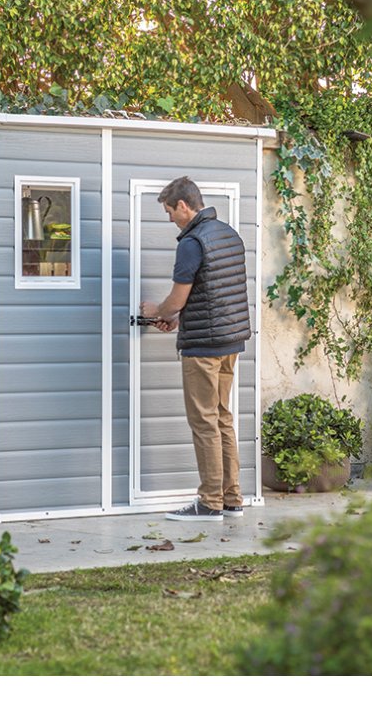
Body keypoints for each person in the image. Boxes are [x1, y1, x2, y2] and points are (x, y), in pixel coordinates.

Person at [140, 176, 251, 522]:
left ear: (183, 205)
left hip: (203, 348)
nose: (170, 218)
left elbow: (177, 299)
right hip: (230, 343)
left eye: (170, 211)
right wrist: (179, 318)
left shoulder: (191, 242)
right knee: (222, 418)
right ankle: (232, 498)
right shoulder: (228, 234)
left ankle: (209, 502)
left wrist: (157, 312)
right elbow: (212, 292)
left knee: (204, 422)